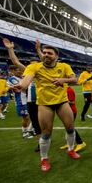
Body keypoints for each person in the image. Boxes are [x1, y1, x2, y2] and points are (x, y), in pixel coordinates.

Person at [11, 44, 80, 172]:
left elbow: (75, 80)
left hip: (62, 102)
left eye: (49, 53)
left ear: (56, 56)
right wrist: (21, 86)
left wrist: (63, 80)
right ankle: (44, 159)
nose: (46, 55)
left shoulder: (64, 66)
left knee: (70, 128)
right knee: (46, 133)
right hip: (44, 104)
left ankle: (71, 150)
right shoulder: (34, 67)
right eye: (44, 52)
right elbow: (26, 80)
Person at [4, 38, 42, 151]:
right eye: (31, 64)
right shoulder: (29, 71)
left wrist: (39, 49)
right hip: (31, 100)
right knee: (35, 122)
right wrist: (10, 49)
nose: (32, 66)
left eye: (35, 63)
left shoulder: (44, 71)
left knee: (43, 121)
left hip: (43, 99)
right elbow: (15, 62)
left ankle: (43, 139)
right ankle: (40, 142)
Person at [7, 65, 34, 138]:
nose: (20, 71)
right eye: (18, 70)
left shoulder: (22, 77)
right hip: (21, 101)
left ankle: (30, 129)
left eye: (21, 70)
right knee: (26, 117)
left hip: (28, 99)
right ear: (14, 71)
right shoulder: (13, 78)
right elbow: (20, 87)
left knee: (33, 115)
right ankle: (25, 133)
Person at [60, 86, 87, 152]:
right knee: (67, 127)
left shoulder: (69, 90)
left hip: (72, 111)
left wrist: (62, 100)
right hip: (65, 111)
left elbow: (72, 102)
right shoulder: (63, 89)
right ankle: (69, 143)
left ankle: (80, 143)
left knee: (70, 127)